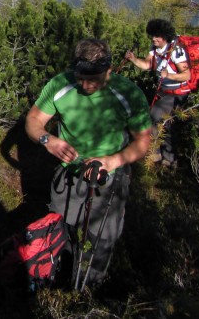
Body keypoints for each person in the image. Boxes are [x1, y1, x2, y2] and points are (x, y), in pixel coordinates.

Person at [25, 38, 153, 286]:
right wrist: (48, 140)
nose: (85, 85)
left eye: (93, 78)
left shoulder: (128, 94)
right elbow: (33, 120)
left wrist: (112, 161)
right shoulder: (61, 85)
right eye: (80, 77)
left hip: (109, 176)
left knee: (102, 238)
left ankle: (91, 285)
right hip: (68, 173)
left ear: (109, 70)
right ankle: (59, 277)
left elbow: (142, 141)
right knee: (60, 227)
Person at [124, 19, 190, 165]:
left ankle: (155, 155)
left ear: (165, 36)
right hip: (164, 91)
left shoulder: (176, 51)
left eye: (157, 36)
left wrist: (169, 75)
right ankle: (168, 158)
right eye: (152, 35)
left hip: (178, 93)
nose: (154, 39)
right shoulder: (154, 48)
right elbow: (148, 65)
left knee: (154, 116)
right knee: (165, 123)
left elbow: (187, 75)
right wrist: (134, 60)